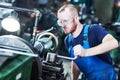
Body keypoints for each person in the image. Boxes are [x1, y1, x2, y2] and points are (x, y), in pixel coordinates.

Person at [57, 4, 119, 80]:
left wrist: (85, 52)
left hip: (105, 77)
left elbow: (114, 43)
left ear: (76, 19)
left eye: (66, 21)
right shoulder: (68, 40)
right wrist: (74, 78)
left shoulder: (93, 30)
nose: (63, 25)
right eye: (60, 22)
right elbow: (76, 61)